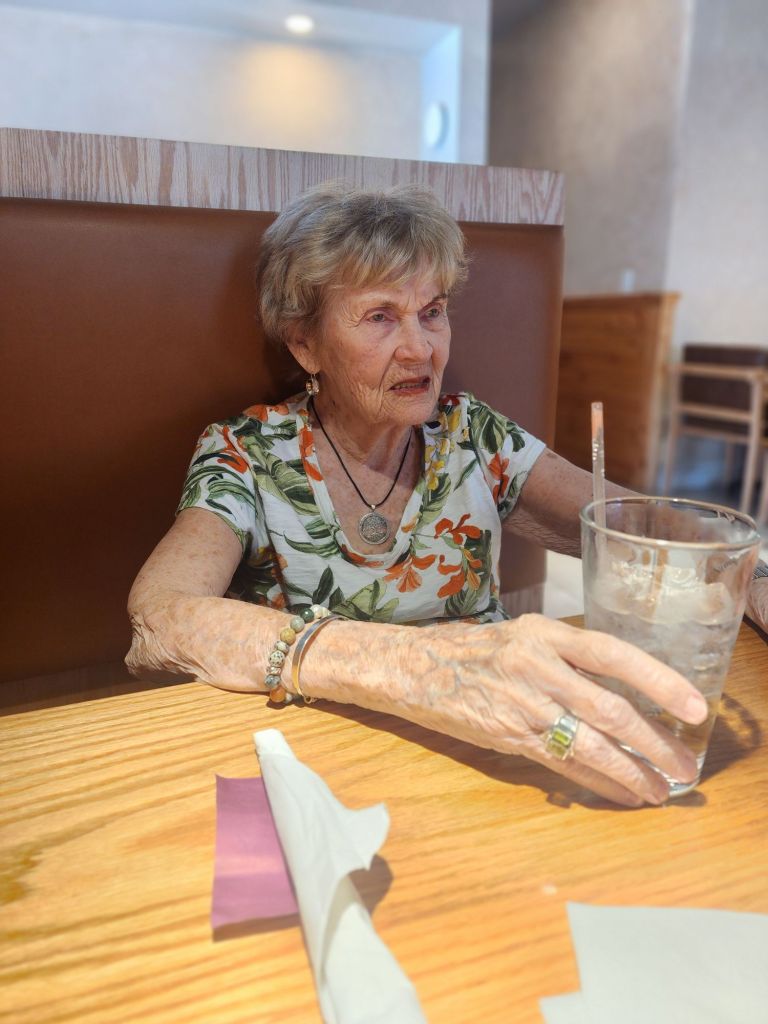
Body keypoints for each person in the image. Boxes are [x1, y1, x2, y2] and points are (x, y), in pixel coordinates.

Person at [126, 183, 768, 808]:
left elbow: (652, 533)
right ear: (305, 344)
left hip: (496, 757)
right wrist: (421, 670)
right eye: (381, 317)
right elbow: (159, 618)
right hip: (316, 776)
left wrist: (754, 574)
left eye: (432, 312)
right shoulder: (247, 452)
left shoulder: (471, 433)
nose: (420, 349)